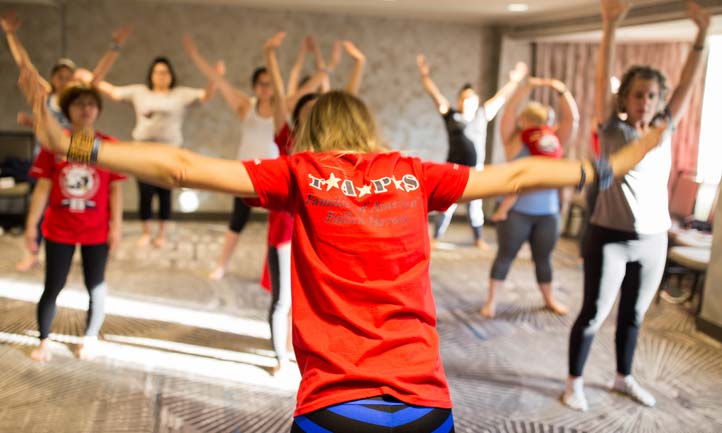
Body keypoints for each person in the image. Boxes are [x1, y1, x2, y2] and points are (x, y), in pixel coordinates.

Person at [31, 69, 667, 430]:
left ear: (310, 133)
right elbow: (520, 175)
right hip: (424, 405)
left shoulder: (300, 175)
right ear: (365, 130)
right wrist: (608, 167)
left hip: (335, 407)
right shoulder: (415, 173)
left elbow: (177, 166)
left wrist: (73, 147)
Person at [563, 0, 710, 412]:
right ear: (624, 99)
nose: (645, 101)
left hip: (652, 241)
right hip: (608, 237)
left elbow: (687, 85)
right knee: (593, 313)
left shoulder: (663, 131)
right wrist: (610, 25)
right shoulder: (612, 131)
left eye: (652, 95)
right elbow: (598, 80)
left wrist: (702, 34)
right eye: (637, 95)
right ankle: (574, 382)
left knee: (633, 316)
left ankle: (623, 377)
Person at [1, 10, 130, 270]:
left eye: (68, 76)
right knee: (41, 204)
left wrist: (115, 46)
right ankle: (33, 251)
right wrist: (11, 35)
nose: (64, 79)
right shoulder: (46, 95)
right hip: (50, 156)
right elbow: (25, 66)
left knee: (78, 202)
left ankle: (86, 250)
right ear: (52, 78)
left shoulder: (79, 99)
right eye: (59, 75)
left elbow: (99, 75)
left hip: (78, 156)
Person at [20, 76, 125, 362]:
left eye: (91, 104)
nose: (86, 109)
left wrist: (117, 226)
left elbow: (116, 190)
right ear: (68, 110)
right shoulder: (56, 145)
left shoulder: (108, 145)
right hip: (59, 230)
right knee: (53, 285)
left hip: (96, 230)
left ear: (98, 110)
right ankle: (44, 339)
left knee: (96, 286)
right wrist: (31, 226)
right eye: (79, 104)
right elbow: (42, 188)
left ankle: (89, 338)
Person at [95, 54, 217, 248]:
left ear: (171, 75)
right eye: (157, 72)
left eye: (165, 72)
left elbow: (205, 96)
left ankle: (162, 234)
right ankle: (146, 232)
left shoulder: (180, 94)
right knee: (145, 193)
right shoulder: (140, 92)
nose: (161, 76)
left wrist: (215, 78)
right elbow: (113, 92)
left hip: (170, 151)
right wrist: (92, 78)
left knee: (165, 193)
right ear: (151, 75)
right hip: (143, 150)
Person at [482, 76, 579, 318]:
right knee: (505, 256)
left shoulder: (552, 140)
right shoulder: (514, 139)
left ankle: (549, 299)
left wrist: (562, 89)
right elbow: (509, 111)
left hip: (548, 214)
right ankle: (491, 302)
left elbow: (571, 120)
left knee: (543, 259)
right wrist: (528, 87)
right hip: (517, 213)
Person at [416, 54, 527, 250]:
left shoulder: (482, 114)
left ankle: (478, 239)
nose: (467, 101)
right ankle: (436, 236)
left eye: (471, 97)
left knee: (475, 208)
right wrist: (425, 77)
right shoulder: (451, 115)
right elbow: (435, 95)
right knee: (446, 207)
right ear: (459, 100)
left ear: (476, 100)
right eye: (464, 98)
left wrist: (514, 81)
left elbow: (500, 98)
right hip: (452, 169)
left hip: (476, 170)